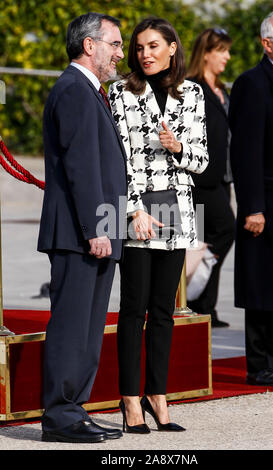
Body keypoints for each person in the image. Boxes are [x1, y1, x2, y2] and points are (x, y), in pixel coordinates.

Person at [108, 17, 208, 433]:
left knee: (164, 311)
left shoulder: (192, 92)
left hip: (179, 211)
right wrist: (132, 210)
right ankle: (130, 399)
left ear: (171, 48)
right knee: (134, 309)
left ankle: (157, 395)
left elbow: (202, 161)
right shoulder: (120, 91)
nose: (144, 54)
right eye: (138, 47)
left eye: (153, 46)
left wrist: (178, 145)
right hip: (135, 209)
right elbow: (118, 158)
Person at [37, 12, 127, 443]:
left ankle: (73, 408)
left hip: (96, 230)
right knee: (73, 326)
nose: (120, 54)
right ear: (89, 45)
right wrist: (97, 228)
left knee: (89, 327)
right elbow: (81, 167)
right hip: (81, 234)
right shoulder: (74, 89)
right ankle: (60, 415)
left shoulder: (91, 92)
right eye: (115, 44)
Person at [229, 10, 273, 386]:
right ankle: (260, 364)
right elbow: (245, 152)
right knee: (264, 285)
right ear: (266, 43)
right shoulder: (252, 84)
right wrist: (252, 206)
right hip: (269, 205)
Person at [186, 28, 235, 328]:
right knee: (224, 231)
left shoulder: (222, 89)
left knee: (205, 238)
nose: (227, 57)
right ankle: (193, 297)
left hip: (224, 177)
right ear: (206, 53)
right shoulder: (192, 88)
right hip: (203, 179)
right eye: (222, 51)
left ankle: (206, 306)